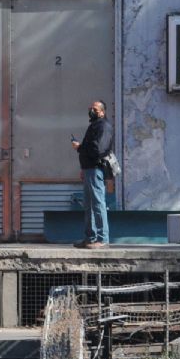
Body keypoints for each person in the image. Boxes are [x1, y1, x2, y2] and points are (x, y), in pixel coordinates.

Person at [71, 100, 113, 249]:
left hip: (95, 169)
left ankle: (103, 239)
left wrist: (80, 147)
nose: (91, 111)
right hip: (89, 169)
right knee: (89, 205)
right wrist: (84, 168)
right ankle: (90, 238)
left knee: (98, 204)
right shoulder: (95, 125)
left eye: (94, 109)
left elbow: (98, 150)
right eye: (90, 108)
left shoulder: (104, 126)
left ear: (102, 112)